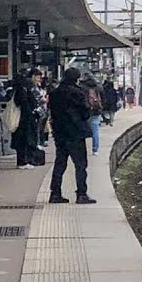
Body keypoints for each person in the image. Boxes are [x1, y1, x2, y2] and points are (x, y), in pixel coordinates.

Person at [48, 67, 94, 204]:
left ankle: (55, 194)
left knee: (60, 164)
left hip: (60, 133)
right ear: (76, 78)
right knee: (80, 165)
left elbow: (52, 111)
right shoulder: (78, 93)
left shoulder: (54, 93)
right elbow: (85, 112)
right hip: (76, 133)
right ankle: (81, 194)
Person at [12, 69, 43, 168]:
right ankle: (23, 162)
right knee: (24, 141)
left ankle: (23, 161)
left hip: (23, 120)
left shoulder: (18, 90)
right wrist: (32, 113)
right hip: (24, 120)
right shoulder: (22, 91)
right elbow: (25, 105)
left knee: (23, 141)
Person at [82, 73, 103, 156]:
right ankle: (95, 150)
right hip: (96, 111)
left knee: (83, 131)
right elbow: (103, 99)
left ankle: (83, 150)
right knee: (95, 130)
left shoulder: (82, 87)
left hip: (85, 111)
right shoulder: (98, 87)